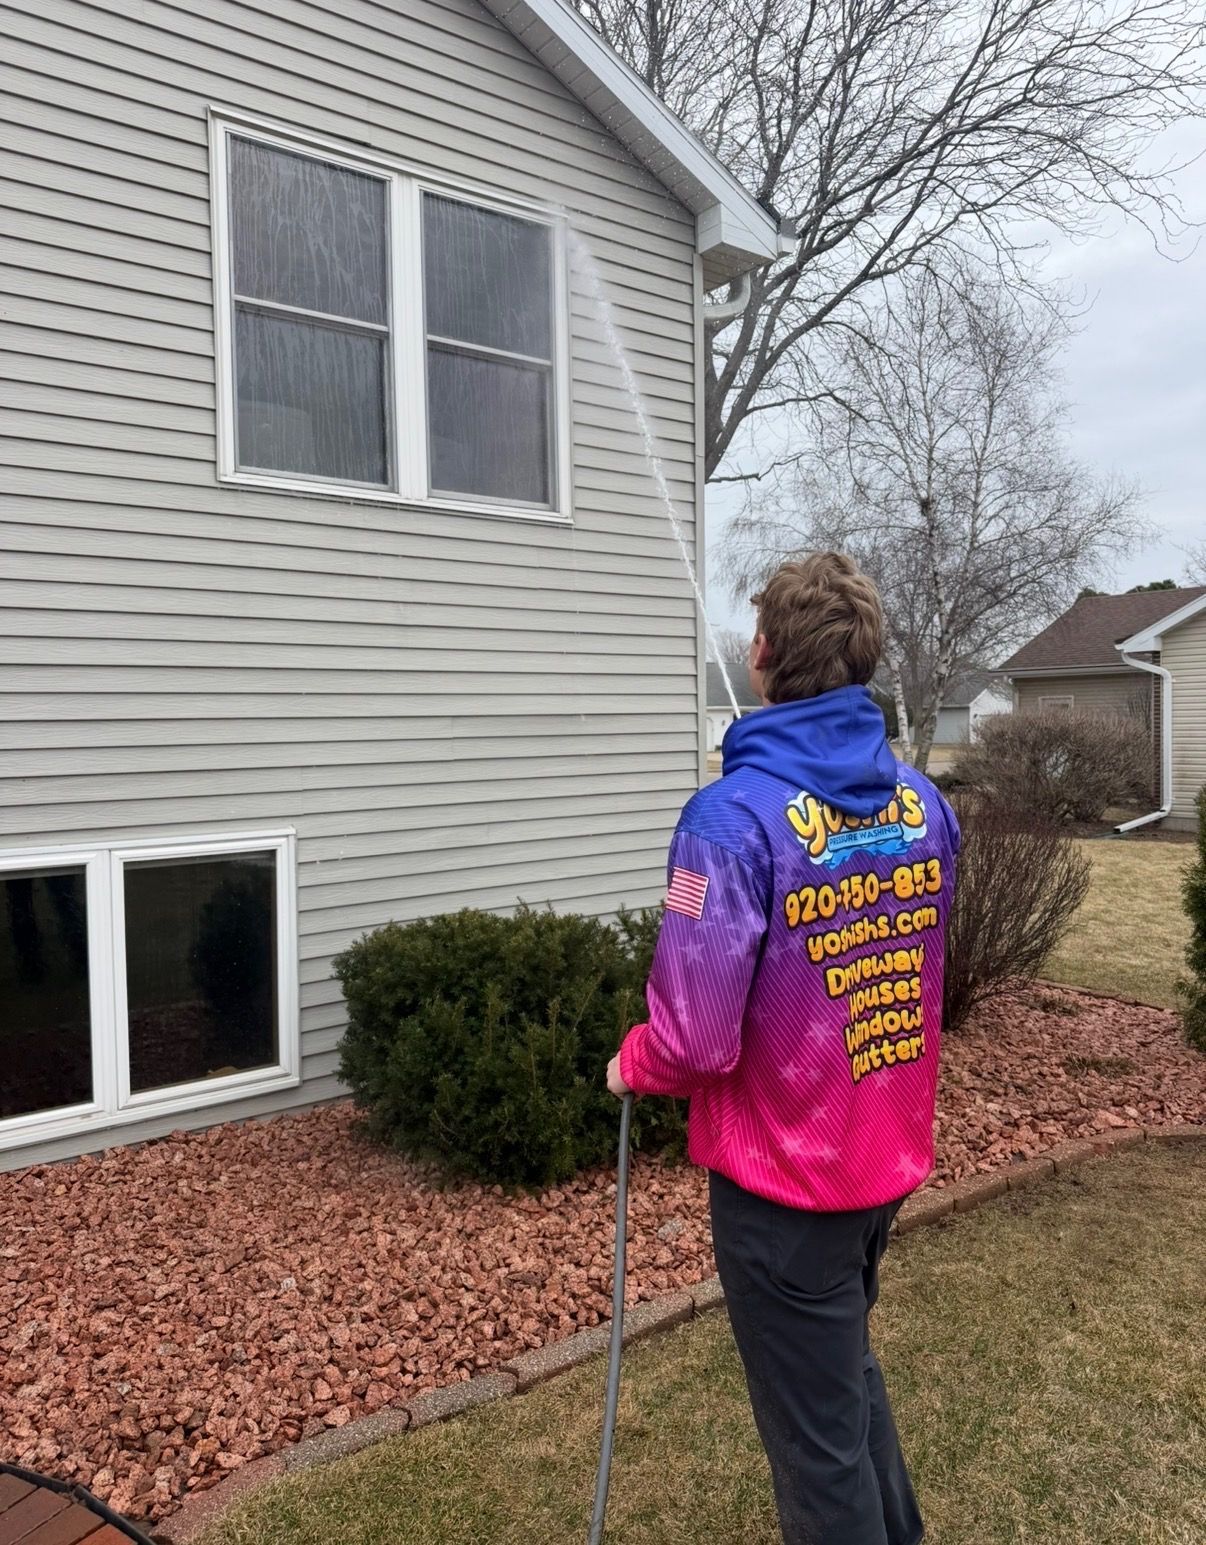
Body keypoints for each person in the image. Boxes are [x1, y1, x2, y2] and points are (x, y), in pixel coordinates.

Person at [607, 553, 959, 1545]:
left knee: (815, 1448)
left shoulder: (724, 825)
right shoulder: (924, 806)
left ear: (763, 656)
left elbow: (693, 1038)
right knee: (841, 1381)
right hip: (877, 1168)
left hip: (784, 1191)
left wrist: (632, 1060)